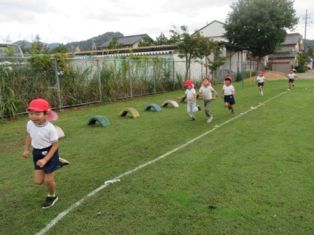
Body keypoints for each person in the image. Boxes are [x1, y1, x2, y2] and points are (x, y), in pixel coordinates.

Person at [22, 98, 69, 209]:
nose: (33, 116)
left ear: (46, 113)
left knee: (48, 180)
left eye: (37, 113)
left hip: (50, 153)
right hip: (37, 153)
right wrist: (26, 149)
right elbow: (29, 136)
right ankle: (58, 162)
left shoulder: (50, 128)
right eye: (31, 113)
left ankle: (52, 196)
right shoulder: (30, 124)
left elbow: (55, 145)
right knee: (38, 181)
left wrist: (46, 159)